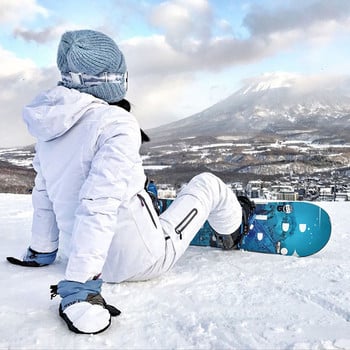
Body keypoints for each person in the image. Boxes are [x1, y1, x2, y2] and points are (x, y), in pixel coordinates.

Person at [7, 29, 243, 334]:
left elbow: (43, 194)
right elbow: (98, 203)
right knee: (208, 184)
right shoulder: (116, 123)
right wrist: (80, 288)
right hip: (139, 260)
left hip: (78, 252)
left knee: (138, 188)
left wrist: (42, 251)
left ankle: (150, 208)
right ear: (110, 79)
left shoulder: (50, 128)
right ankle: (236, 228)